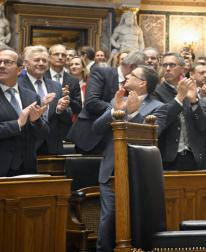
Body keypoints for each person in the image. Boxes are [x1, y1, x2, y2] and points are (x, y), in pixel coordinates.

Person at [94, 65, 167, 252]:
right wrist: (114, 112)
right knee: (108, 221)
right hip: (112, 172)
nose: (127, 75)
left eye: (132, 75)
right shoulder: (118, 99)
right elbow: (96, 129)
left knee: (137, 223)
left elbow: (149, 139)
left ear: (143, 83)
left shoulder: (158, 107)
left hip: (139, 175)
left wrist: (134, 114)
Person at [0, 48, 50, 177]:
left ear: (20, 70)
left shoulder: (31, 96)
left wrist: (35, 121)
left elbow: (43, 133)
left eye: (8, 63)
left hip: (27, 167)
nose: (1, 66)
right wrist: (18, 124)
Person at [67, 50, 147, 155]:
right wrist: (118, 110)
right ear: (132, 66)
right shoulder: (102, 73)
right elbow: (92, 102)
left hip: (116, 139)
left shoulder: (135, 83)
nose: (144, 72)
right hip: (90, 136)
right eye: (142, 69)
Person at [19, 46, 71, 155]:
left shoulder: (55, 86)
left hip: (53, 147)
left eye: (44, 61)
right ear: (26, 63)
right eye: (37, 60)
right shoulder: (17, 85)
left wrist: (60, 110)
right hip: (27, 146)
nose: (41, 63)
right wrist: (40, 107)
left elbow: (68, 119)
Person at [152, 54, 199, 171]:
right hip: (167, 157)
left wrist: (194, 102)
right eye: (165, 65)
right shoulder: (155, 92)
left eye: (172, 65)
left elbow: (202, 125)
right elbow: (161, 121)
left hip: (192, 156)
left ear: (182, 69)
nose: (167, 68)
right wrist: (179, 97)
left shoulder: (191, 89)